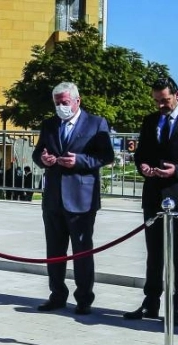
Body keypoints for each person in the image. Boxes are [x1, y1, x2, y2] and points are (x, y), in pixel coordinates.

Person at [124, 76, 178, 326]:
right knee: (154, 254)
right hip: (154, 195)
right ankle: (150, 302)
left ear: (177, 95)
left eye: (165, 100)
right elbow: (141, 154)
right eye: (157, 102)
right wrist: (143, 166)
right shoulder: (150, 121)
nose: (161, 106)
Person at [32, 81, 114, 315]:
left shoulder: (96, 123)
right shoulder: (49, 124)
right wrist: (43, 159)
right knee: (54, 250)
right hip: (54, 198)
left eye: (65, 103)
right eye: (57, 103)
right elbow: (39, 152)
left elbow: (105, 156)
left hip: (81, 197)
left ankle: (84, 298)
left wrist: (79, 161)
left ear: (77, 101)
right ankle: (57, 294)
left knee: (81, 250)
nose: (61, 107)